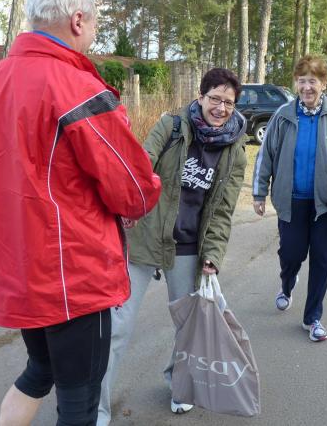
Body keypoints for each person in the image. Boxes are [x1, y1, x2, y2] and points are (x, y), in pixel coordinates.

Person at [0, 0, 162, 426]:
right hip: (75, 277)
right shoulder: (77, 89)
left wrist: (13, 224)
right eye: (95, 24)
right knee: (79, 401)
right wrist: (139, 201)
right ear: (78, 20)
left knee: (40, 368)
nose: (94, 33)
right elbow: (134, 188)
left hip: (17, 269)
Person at [97, 68, 247, 423]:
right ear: (200, 97)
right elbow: (140, 167)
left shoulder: (235, 150)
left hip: (188, 246)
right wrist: (128, 207)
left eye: (228, 102)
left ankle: (179, 385)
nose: (221, 108)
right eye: (215, 99)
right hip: (145, 236)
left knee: (189, 328)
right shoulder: (172, 126)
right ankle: (96, 408)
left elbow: (222, 210)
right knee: (117, 327)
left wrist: (212, 255)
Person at [252, 55, 327, 342]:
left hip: (326, 205)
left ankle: (312, 318)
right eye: (302, 81)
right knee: (291, 255)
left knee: (322, 260)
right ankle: (287, 284)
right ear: (295, 83)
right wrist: (259, 192)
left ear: (323, 83)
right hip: (291, 201)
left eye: (313, 81)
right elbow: (265, 155)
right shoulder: (283, 115)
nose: (307, 87)